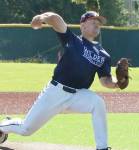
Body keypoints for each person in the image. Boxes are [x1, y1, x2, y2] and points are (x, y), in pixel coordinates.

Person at [0, 11, 119, 150]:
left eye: (99, 23)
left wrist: (118, 82)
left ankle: (102, 147)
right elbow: (56, 19)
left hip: (78, 95)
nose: (97, 24)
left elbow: (105, 80)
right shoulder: (73, 40)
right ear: (82, 25)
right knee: (26, 129)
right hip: (56, 92)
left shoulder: (103, 55)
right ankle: (4, 126)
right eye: (93, 21)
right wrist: (41, 18)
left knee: (98, 103)